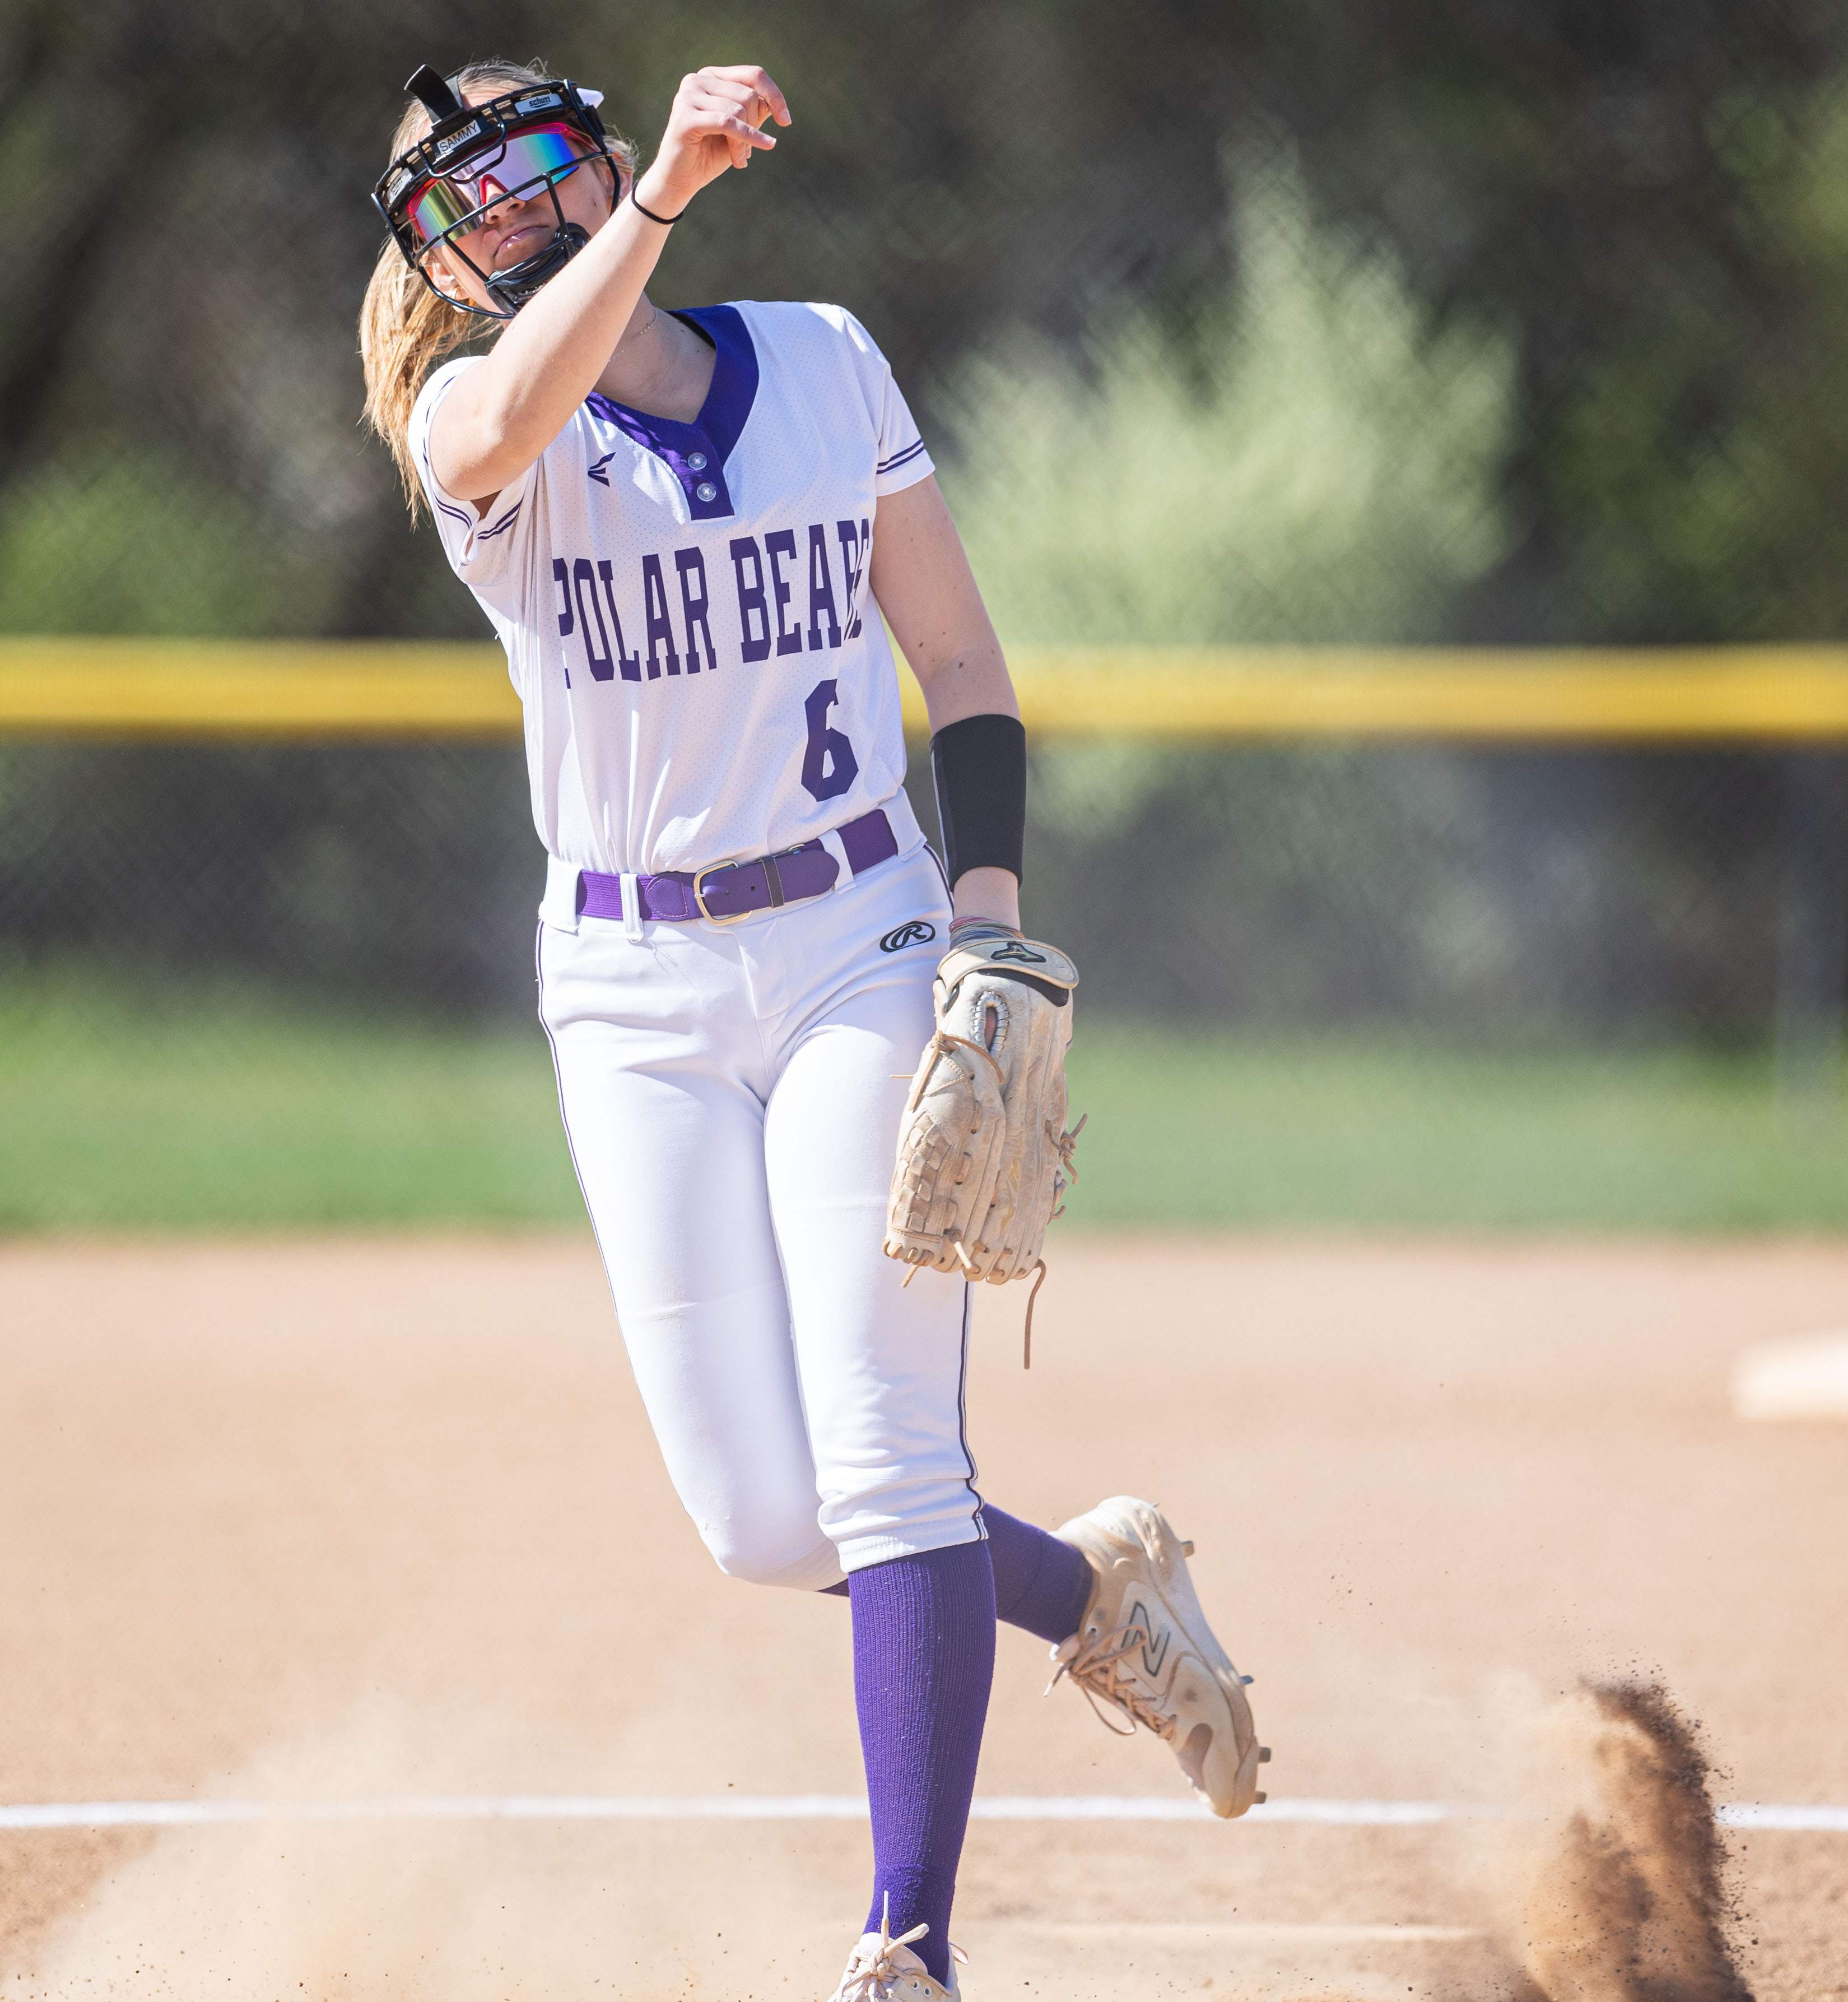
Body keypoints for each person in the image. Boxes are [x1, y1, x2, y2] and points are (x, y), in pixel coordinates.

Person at [358, 58, 1265, 2002]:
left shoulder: (825, 361)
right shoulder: (468, 422)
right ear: (436, 256)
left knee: (877, 1454)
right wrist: (655, 209)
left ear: (591, 151)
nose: (510, 210)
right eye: (466, 201)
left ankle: (907, 1947)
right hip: (628, 995)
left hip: (856, 932)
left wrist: (987, 930)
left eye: (534, 165)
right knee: (763, 1523)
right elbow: (526, 393)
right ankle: (1095, 1596)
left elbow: (959, 662)